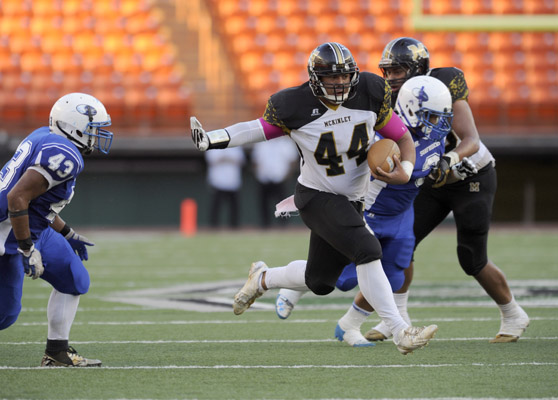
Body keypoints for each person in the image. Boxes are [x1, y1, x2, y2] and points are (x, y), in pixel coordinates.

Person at [190, 41, 438, 355]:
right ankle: (401, 331)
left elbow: (401, 136)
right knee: (368, 248)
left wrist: (404, 169)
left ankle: (263, 278)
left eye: (344, 76)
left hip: (351, 200)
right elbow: (255, 129)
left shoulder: (370, 92)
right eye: (331, 77)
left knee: (320, 281)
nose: (339, 83)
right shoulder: (293, 104)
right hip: (316, 196)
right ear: (314, 77)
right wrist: (212, 139)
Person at [362, 37, 529, 343]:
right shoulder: (390, 98)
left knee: (471, 258)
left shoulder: (443, 82)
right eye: (389, 70)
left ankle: (513, 314)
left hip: (470, 176)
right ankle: (396, 318)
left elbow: (471, 139)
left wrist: (449, 158)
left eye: (399, 70)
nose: (392, 77)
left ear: (417, 69)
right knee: (401, 245)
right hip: (431, 181)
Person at [0, 92, 113, 366]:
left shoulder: (45, 135)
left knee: (75, 279)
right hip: (6, 239)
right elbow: (17, 198)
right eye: (93, 130)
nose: (97, 136)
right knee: (1, 316)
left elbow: (38, 205)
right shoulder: (66, 156)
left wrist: (67, 233)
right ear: (74, 127)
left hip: (30, 228)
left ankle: (57, 353)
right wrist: (27, 248)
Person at [275, 76, 454, 346]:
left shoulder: (434, 138)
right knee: (341, 278)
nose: (438, 124)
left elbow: (427, 170)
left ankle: (349, 325)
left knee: (393, 276)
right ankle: (290, 283)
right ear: (411, 109)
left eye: (441, 117)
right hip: (369, 210)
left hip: (402, 215)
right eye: (431, 116)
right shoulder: (381, 135)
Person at [251, 136, 299, 227]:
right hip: (264, 179)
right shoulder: (261, 143)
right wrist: (258, 175)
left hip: (280, 179)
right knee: (264, 205)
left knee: (283, 204)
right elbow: (255, 161)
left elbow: (293, 161)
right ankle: (265, 225)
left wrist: (287, 177)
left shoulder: (286, 143)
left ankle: (284, 225)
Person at [205, 146, 246, 228]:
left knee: (234, 207)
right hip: (217, 181)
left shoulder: (236, 145)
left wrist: (225, 159)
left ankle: (234, 227)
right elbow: (211, 160)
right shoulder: (213, 144)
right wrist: (228, 159)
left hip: (233, 181)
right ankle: (213, 227)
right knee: (216, 207)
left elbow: (241, 160)